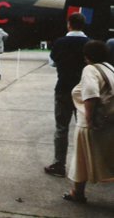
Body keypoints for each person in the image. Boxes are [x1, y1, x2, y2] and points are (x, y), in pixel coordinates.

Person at [63, 40, 114, 203]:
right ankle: (77, 193)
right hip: (109, 121)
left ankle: (78, 193)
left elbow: (91, 95)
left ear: (87, 56)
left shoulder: (90, 69)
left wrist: (89, 118)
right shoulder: (110, 68)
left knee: (81, 159)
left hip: (92, 124)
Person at [44, 13, 89, 177]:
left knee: (61, 128)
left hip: (63, 89)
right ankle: (85, 167)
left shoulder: (60, 42)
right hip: (85, 91)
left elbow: (52, 62)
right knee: (84, 128)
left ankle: (59, 164)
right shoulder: (90, 43)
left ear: (69, 24)